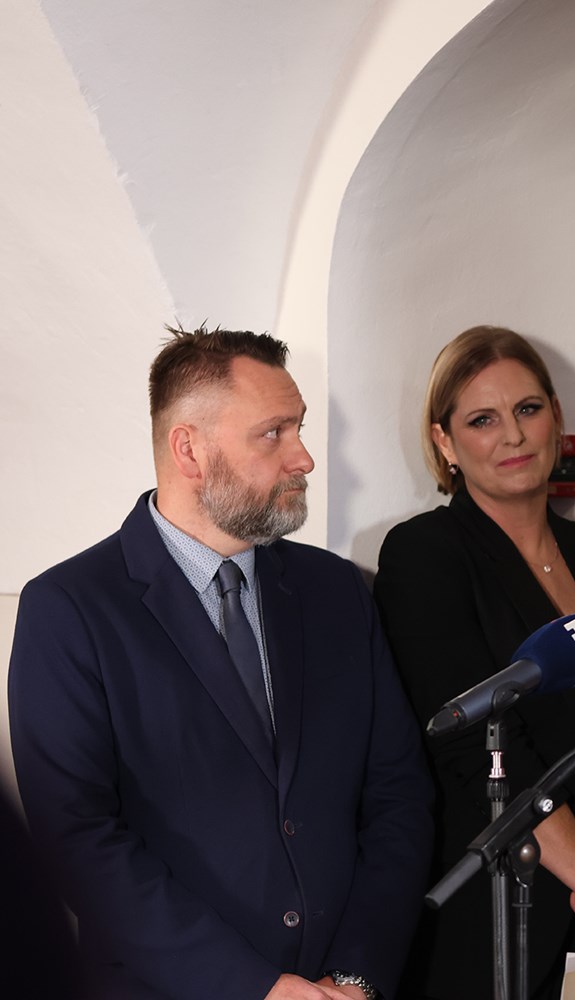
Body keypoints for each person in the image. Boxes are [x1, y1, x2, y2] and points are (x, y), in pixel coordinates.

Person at [7, 326, 434, 1000]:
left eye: (298, 427)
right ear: (190, 450)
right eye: (273, 433)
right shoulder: (70, 609)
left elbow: (398, 795)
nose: (304, 458)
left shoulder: (336, 591)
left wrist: (356, 973)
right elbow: (77, 839)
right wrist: (254, 987)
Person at [374, 327, 575, 1000]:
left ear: (556, 418)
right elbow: (480, 752)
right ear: (445, 442)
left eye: (528, 409)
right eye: (482, 420)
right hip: (497, 923)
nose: (512, 435)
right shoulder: (425, 556)